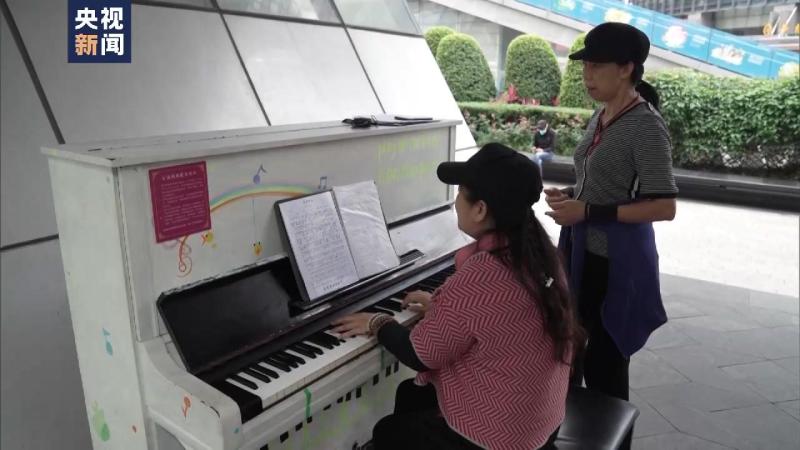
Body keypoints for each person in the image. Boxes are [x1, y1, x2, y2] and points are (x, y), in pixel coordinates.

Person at [332, 143, 583, 450]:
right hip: (538, 422)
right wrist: (440, 305)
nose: (454, 201)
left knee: (388, 431)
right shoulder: (542, 255)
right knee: (411, 395)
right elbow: (493, 316)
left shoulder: (483, 273)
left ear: (480, 209)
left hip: (499, 439)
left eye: (461, 191)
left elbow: (420, 355)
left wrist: (378, 322)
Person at [543, 22, 678, 450]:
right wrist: (572, 195)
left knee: (605, 368)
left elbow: (664, 206)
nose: (587, 75)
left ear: (627, 69)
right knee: (572, 353)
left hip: (615, 265)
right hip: (582, 252)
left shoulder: (645, 125)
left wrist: (589, 210)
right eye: (585, 65)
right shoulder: (602, 115)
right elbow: (601, 179)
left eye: (597, 66)